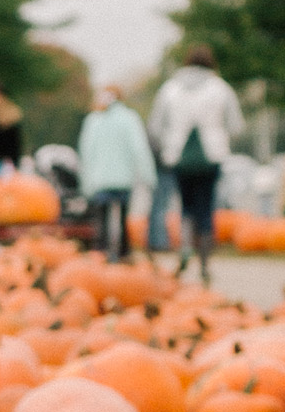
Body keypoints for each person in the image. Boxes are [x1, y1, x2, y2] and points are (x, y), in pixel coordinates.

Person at [148, 45, 244, 278]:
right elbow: (236, 126)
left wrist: (170, 142)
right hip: (211, 157)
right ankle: (204, 258)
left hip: (179, 157)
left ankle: (185, 249)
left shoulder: (170, 89)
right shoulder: (221, 89)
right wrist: (217, 134)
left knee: (185, 207)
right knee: (206, 206)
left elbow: (155, 126)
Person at [76, 85, 155, 262]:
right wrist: (149, 176)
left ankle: (102, 255)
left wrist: (85, 182)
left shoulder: (93, 120)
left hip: (100, 180)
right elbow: (139, 149)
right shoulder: (129, 118)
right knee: (122, 219)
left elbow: (86, 152)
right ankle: (123, 254)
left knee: (102, 220)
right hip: (123, 179)